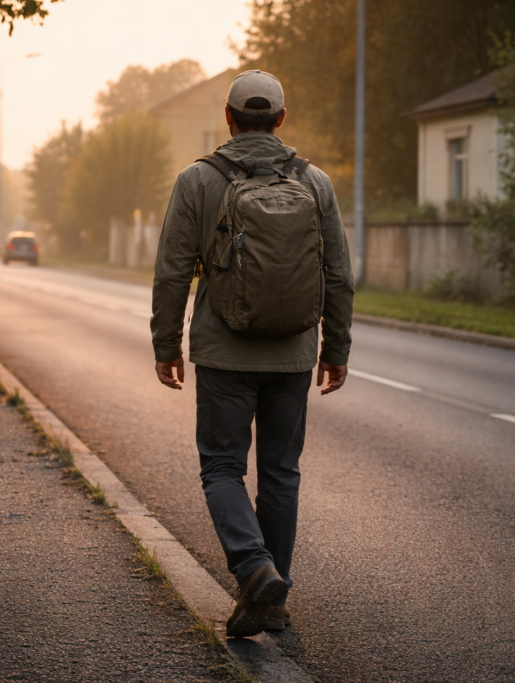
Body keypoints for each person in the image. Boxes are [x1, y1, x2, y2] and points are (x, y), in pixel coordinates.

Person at [150, 70, 354, 638]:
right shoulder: (316, 183)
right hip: (293, 354)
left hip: (224, 353)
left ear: (229, 116)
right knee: (281, 473)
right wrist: (335, 347)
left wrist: (166, 343)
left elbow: (171, 272)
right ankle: (271, 599)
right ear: (281, 120)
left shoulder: (197, 180)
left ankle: (255, 569)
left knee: (221, 467)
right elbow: (337, 275)